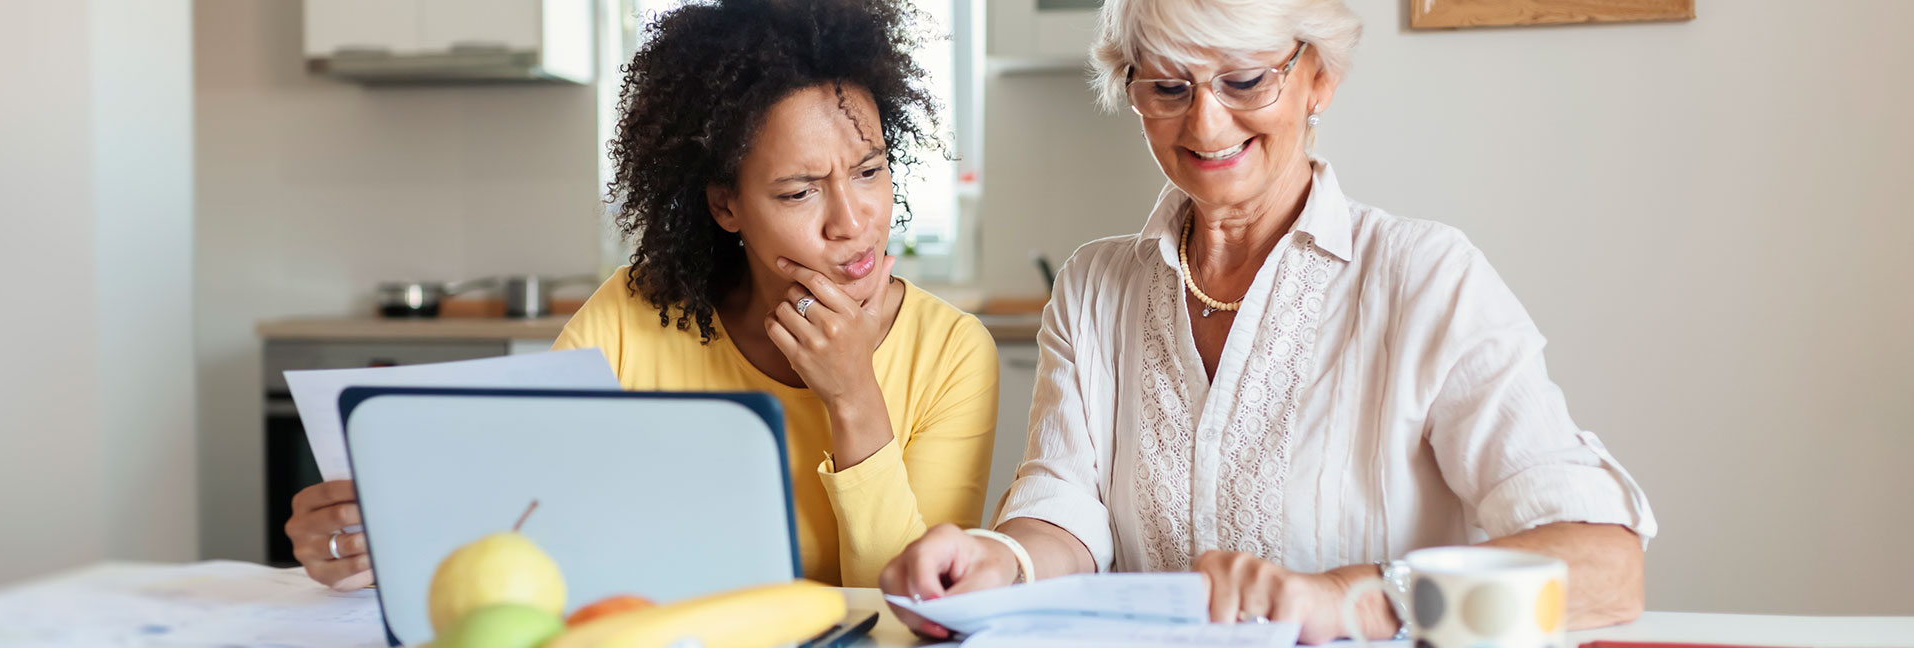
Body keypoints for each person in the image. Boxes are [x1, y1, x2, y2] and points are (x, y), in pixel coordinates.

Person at [879, 0, 1656, 642]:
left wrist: (1349, 597)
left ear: (1318, 76)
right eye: (1168, 88)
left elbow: (1606, 565)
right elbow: (1064, 516)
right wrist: (997, 559)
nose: (1206, 127)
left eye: (1246, 81)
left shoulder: (1425, 278)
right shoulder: (1094, 288)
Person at [288, 0, 998, 591]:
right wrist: (380, 540)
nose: (852, 221)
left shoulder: (953, 354)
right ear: (726, 206)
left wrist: (852, 399)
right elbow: (525, 516)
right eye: (799, 191)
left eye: (870, 171)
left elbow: (915, 609)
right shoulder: (632, 317)